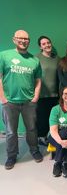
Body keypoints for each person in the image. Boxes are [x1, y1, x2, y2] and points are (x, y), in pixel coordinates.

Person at [0, 30, 43, 170]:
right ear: (14, 39)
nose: (24, 41)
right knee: (11, 131)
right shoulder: (4, 56)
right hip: (10, 102)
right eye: (20, 38)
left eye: (26, 39)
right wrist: (3, 98)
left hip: (28, 102)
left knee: (31, 128)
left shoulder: (34, 60)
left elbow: (38, 80)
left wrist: (36, 96)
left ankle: (34, 150)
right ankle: (11, 156)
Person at [36, 36, 60, 146]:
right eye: (44, 44)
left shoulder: (57, 58)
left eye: (48, 42)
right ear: (40, 46)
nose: (47, 45)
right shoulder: (36, 58)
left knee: (53, 118)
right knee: (42, 118)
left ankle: (52, 137)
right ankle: (41, 138)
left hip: (55, 94)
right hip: (41, 94)